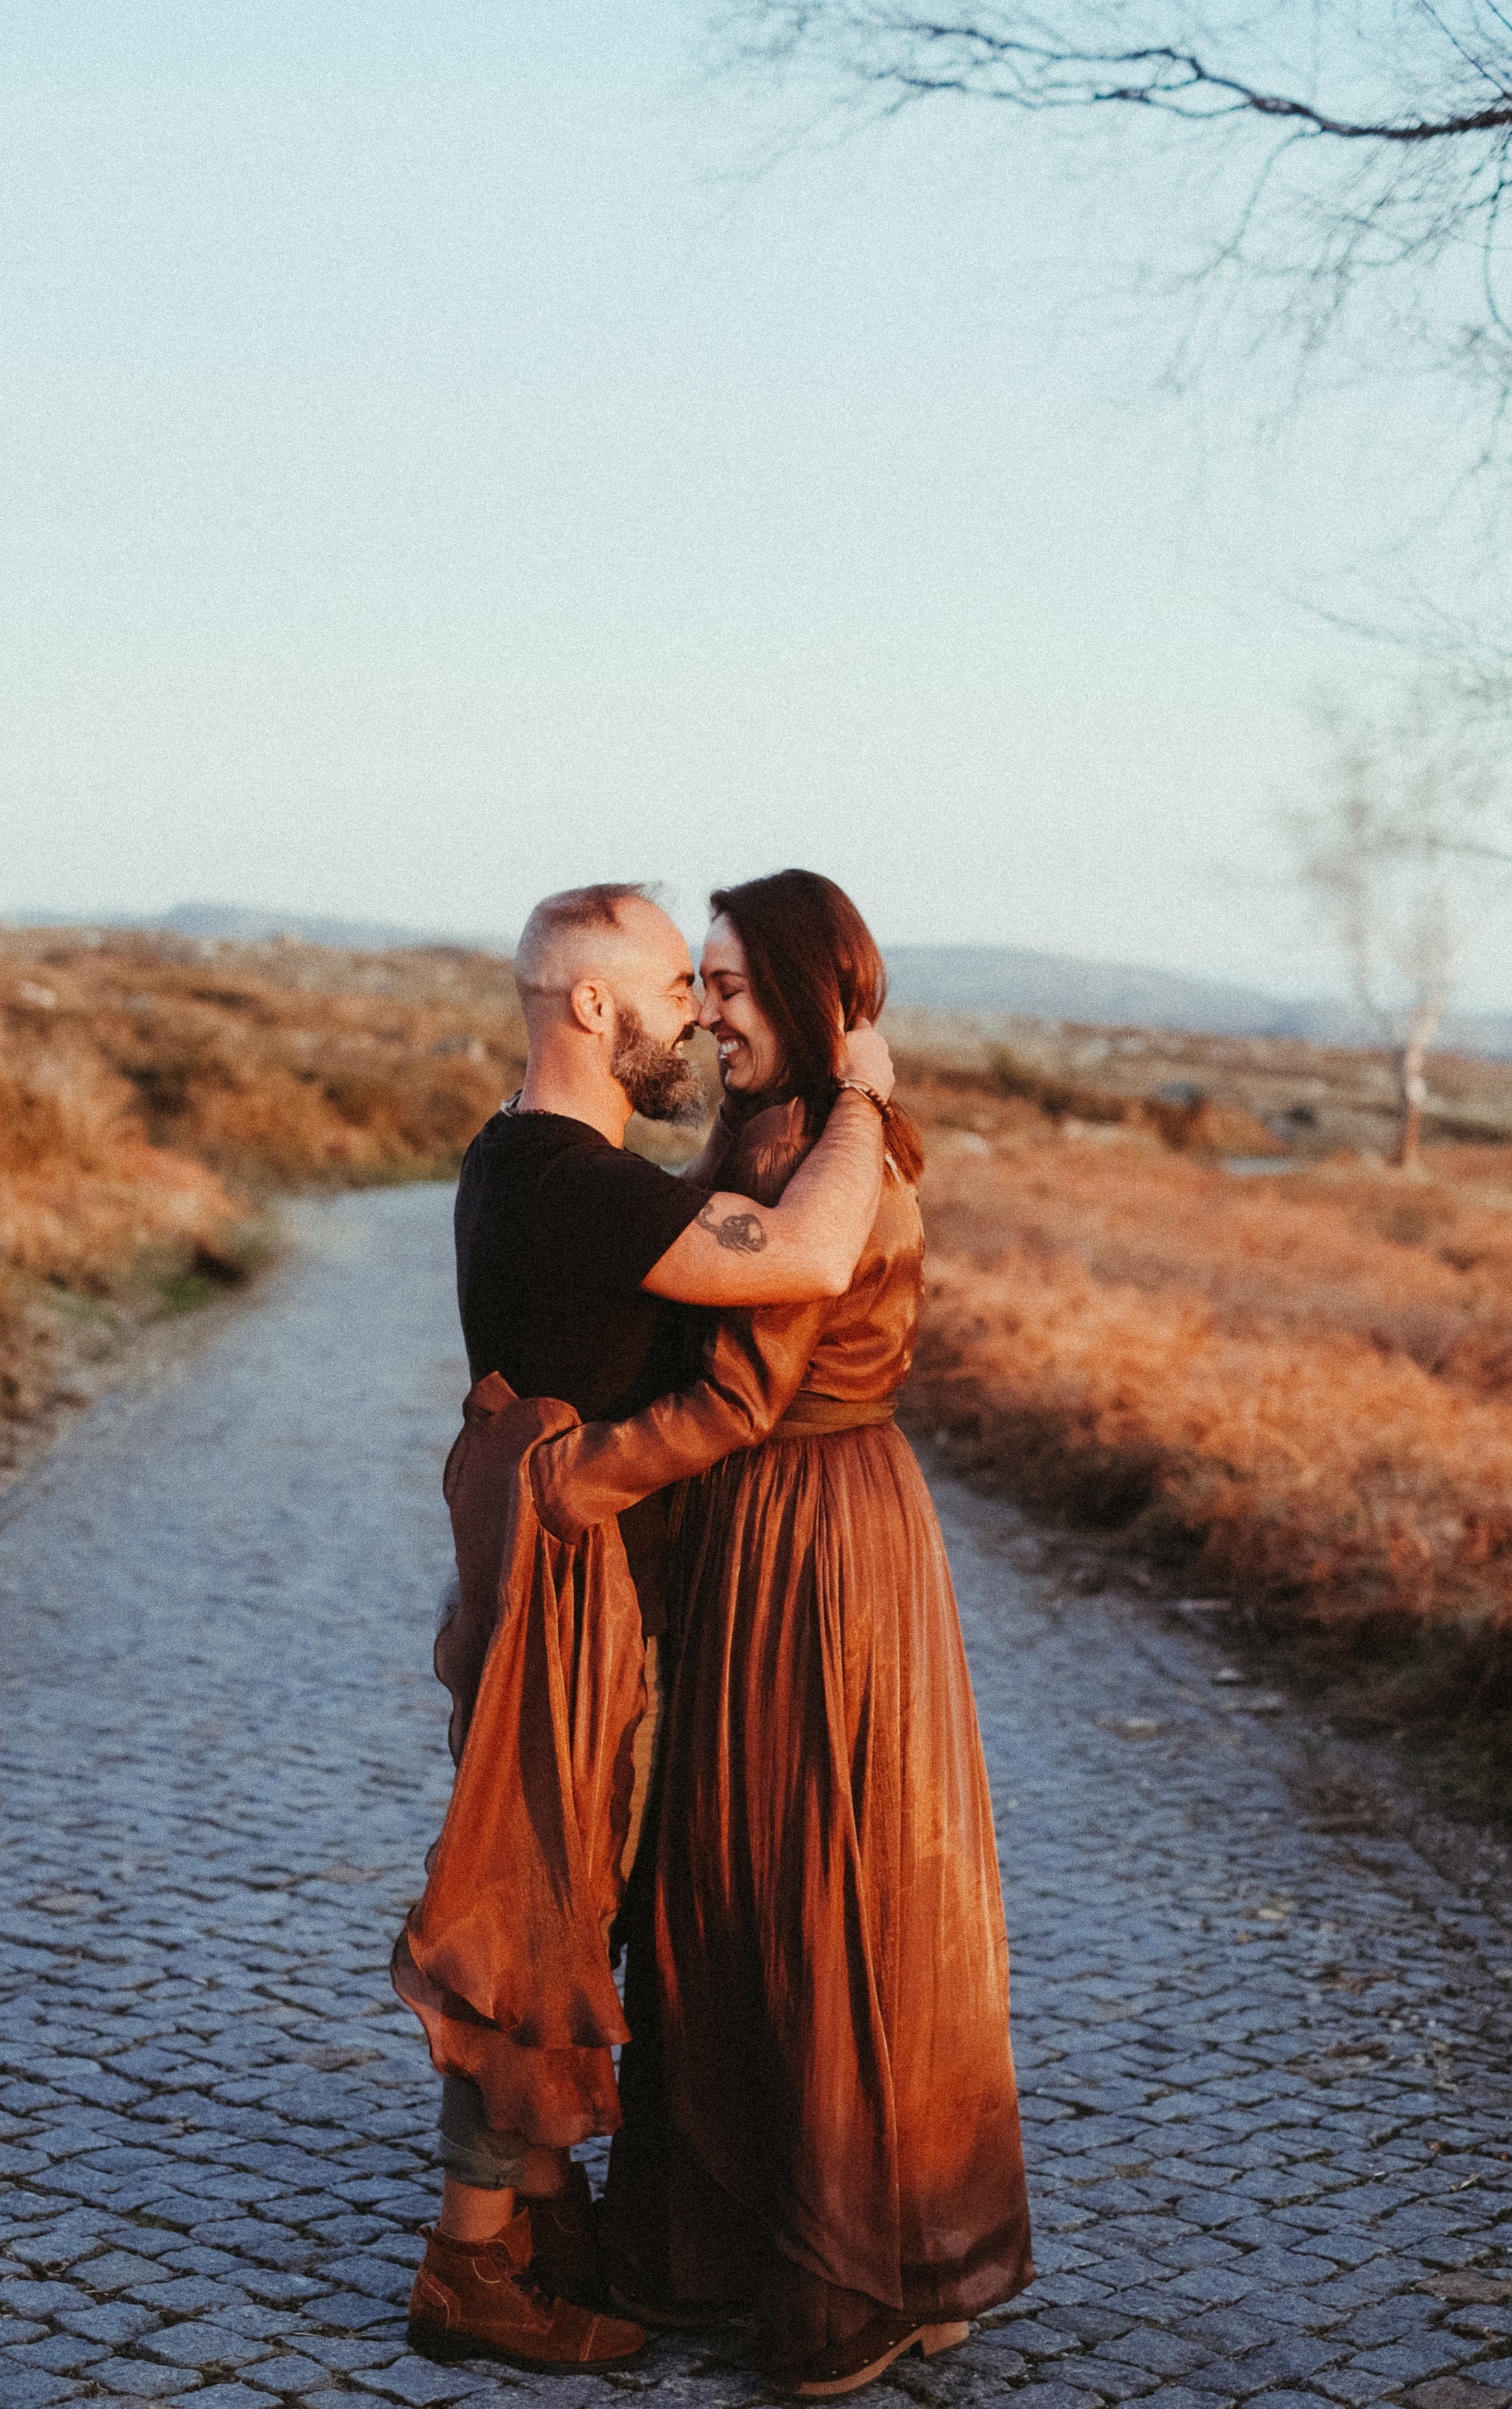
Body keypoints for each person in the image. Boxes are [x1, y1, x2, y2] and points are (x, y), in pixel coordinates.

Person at [533, 871, 1034, 2399]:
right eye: (698, 979)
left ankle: (829, 2264)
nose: (708, 1009)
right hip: (843, 1517)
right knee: (835, 1870)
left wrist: (575, 1482)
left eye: (734, 984)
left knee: (785, 1874)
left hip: (798, 1535)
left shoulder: (801, 1145)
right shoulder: (826, 1134)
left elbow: (742, 1393)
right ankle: (877, 2249)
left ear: (812, 999)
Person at [394, 881, 897, 2372]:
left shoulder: (529, 1157)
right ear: (591, 1006)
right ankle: (469, 2270)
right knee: (534, 1906)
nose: (694, 1009)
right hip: (568, 1600)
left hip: (543, 1582)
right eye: (676, 982)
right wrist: (861, 1101)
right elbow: (803, 1261)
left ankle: (537, 2224)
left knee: (554, 1886)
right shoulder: (572, 1183)